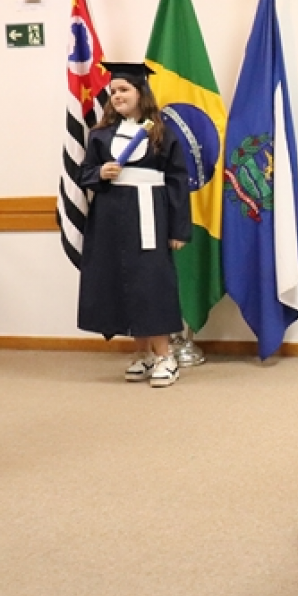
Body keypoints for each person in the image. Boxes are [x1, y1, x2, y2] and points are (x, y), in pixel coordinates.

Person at [77, 62, 190, 387]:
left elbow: (178, 183)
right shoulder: (100, 135)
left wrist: (178, 228)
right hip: (111, 218)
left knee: (151, 282)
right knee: (121, 281)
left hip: (149, 214)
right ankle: (142, 353)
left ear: (141, 93)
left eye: (124, 90)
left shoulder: (161, 134)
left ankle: (165, 355)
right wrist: (100, 173)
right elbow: (84, 173)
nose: (117, 96)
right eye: (113, 91)